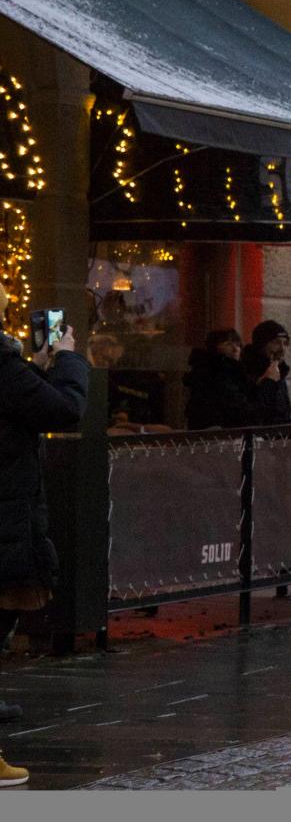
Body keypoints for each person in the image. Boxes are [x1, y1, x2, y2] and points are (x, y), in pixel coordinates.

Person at [1, 281, 88, 781]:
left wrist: (35, 372)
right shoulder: (2, 366)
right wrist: (70, 360)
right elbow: (64, 410)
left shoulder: (11, 371)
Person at [182, 328, 248, 429]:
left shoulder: (237, 371)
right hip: (214, 434)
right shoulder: (211, 373)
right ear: (214, 347)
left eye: (238, 344)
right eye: (228, 344)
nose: (236, 349)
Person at [240, 320, 291, 424]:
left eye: (285, 343)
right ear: (261, 345)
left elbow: (284, 412)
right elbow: (254, 414)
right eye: (276, 342)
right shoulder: (245, 371)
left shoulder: (279, 371)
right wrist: (268, 382)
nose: (282, 349)